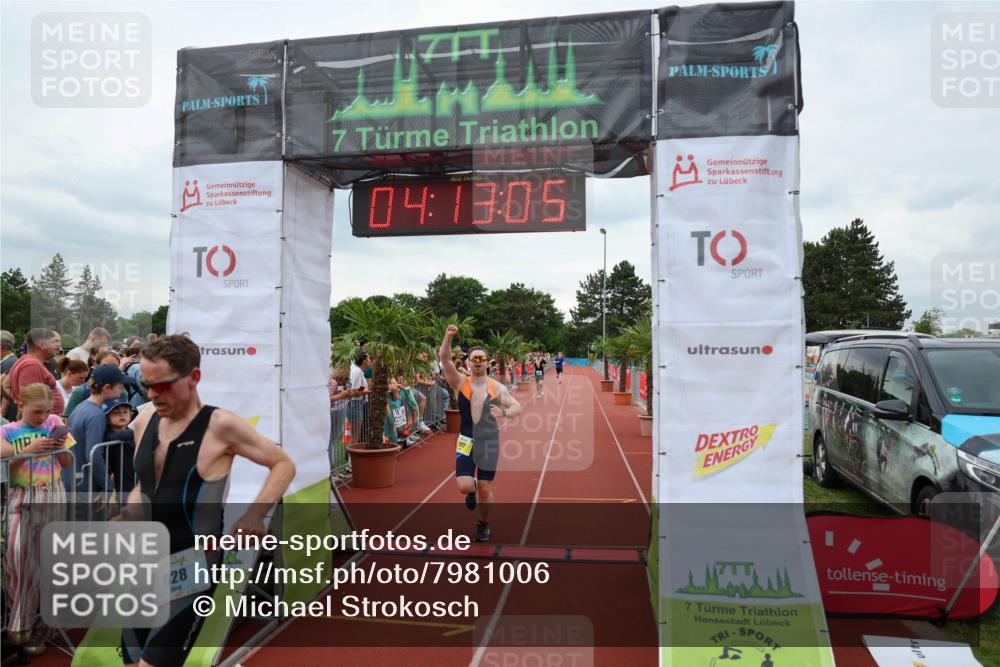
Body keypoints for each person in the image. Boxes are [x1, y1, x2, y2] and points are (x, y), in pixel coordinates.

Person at [119, 334, 295, 667]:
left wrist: (255, 515)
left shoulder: (220, 426)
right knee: (132, 660)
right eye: (147, 386)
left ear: (193, 378)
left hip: (190, 564)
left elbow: (283, 463)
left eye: (163, 386)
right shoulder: (144, 420)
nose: (153, 395)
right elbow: (143, 485)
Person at [1, 383, 73, 652]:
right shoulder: (7, 431)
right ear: (20, 405)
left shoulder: (54, 422)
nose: (42, 417)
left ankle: (40, 628)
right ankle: (20, 622)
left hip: (53, 493)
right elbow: (7, 468)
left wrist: (59, 445)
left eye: (46, 412)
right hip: (22, 494)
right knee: (18, 556)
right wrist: (27, 451)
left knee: (51, 560)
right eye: (36, 412)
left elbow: (66, 463)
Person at [439, 325, 522, 542]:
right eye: (474, 357)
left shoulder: (497, 388)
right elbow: (445, 360)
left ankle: (483, 524)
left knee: (486, 487)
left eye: (481, 358)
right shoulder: (460, 382)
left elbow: (517, 407)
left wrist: (503, 412)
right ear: (469, 362)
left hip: (489, 442)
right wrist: (448, 337)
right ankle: (472, 489)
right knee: (465, 486)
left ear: (487, 363)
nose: (477, 361)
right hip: (466, 439)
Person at [67, 364, 127, 495]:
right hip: (83, 484)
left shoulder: (81, 407)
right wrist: (108, 486)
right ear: (107, 388)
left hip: (72, 478)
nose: (122, 391)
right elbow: (94, 455)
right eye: (120, 387)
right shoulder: (96, 415)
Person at [9, 328, 64, 417]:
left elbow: (7, 385)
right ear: (42, 345)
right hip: (40, 425)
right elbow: (31, 402)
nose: (58, 346)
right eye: (54, 342)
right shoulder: (31, 365)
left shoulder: (28, 361)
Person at [102, 396, 137, 494]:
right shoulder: (107, 434)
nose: (121, 415)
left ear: (131, 414)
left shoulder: (130, 431)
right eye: (116, 413)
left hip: (135, 476)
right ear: (107, 418)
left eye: (125, 412)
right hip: (120, 481)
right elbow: (119, 436)